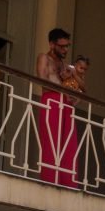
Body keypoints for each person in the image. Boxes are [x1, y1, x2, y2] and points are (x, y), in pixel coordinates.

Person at [35, 28, 78, 188]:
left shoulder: (66, 65)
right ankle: (50, 182)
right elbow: (43, 81)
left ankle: (68, 183)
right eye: (62, 46)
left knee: (68, 145)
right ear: (52, 44)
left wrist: (73, 91)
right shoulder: (44, 58)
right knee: (51, 143)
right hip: (51, 103)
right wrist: (61, 80)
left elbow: (76, 91)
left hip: (66, 105)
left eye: (67, 46)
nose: (65, 50)